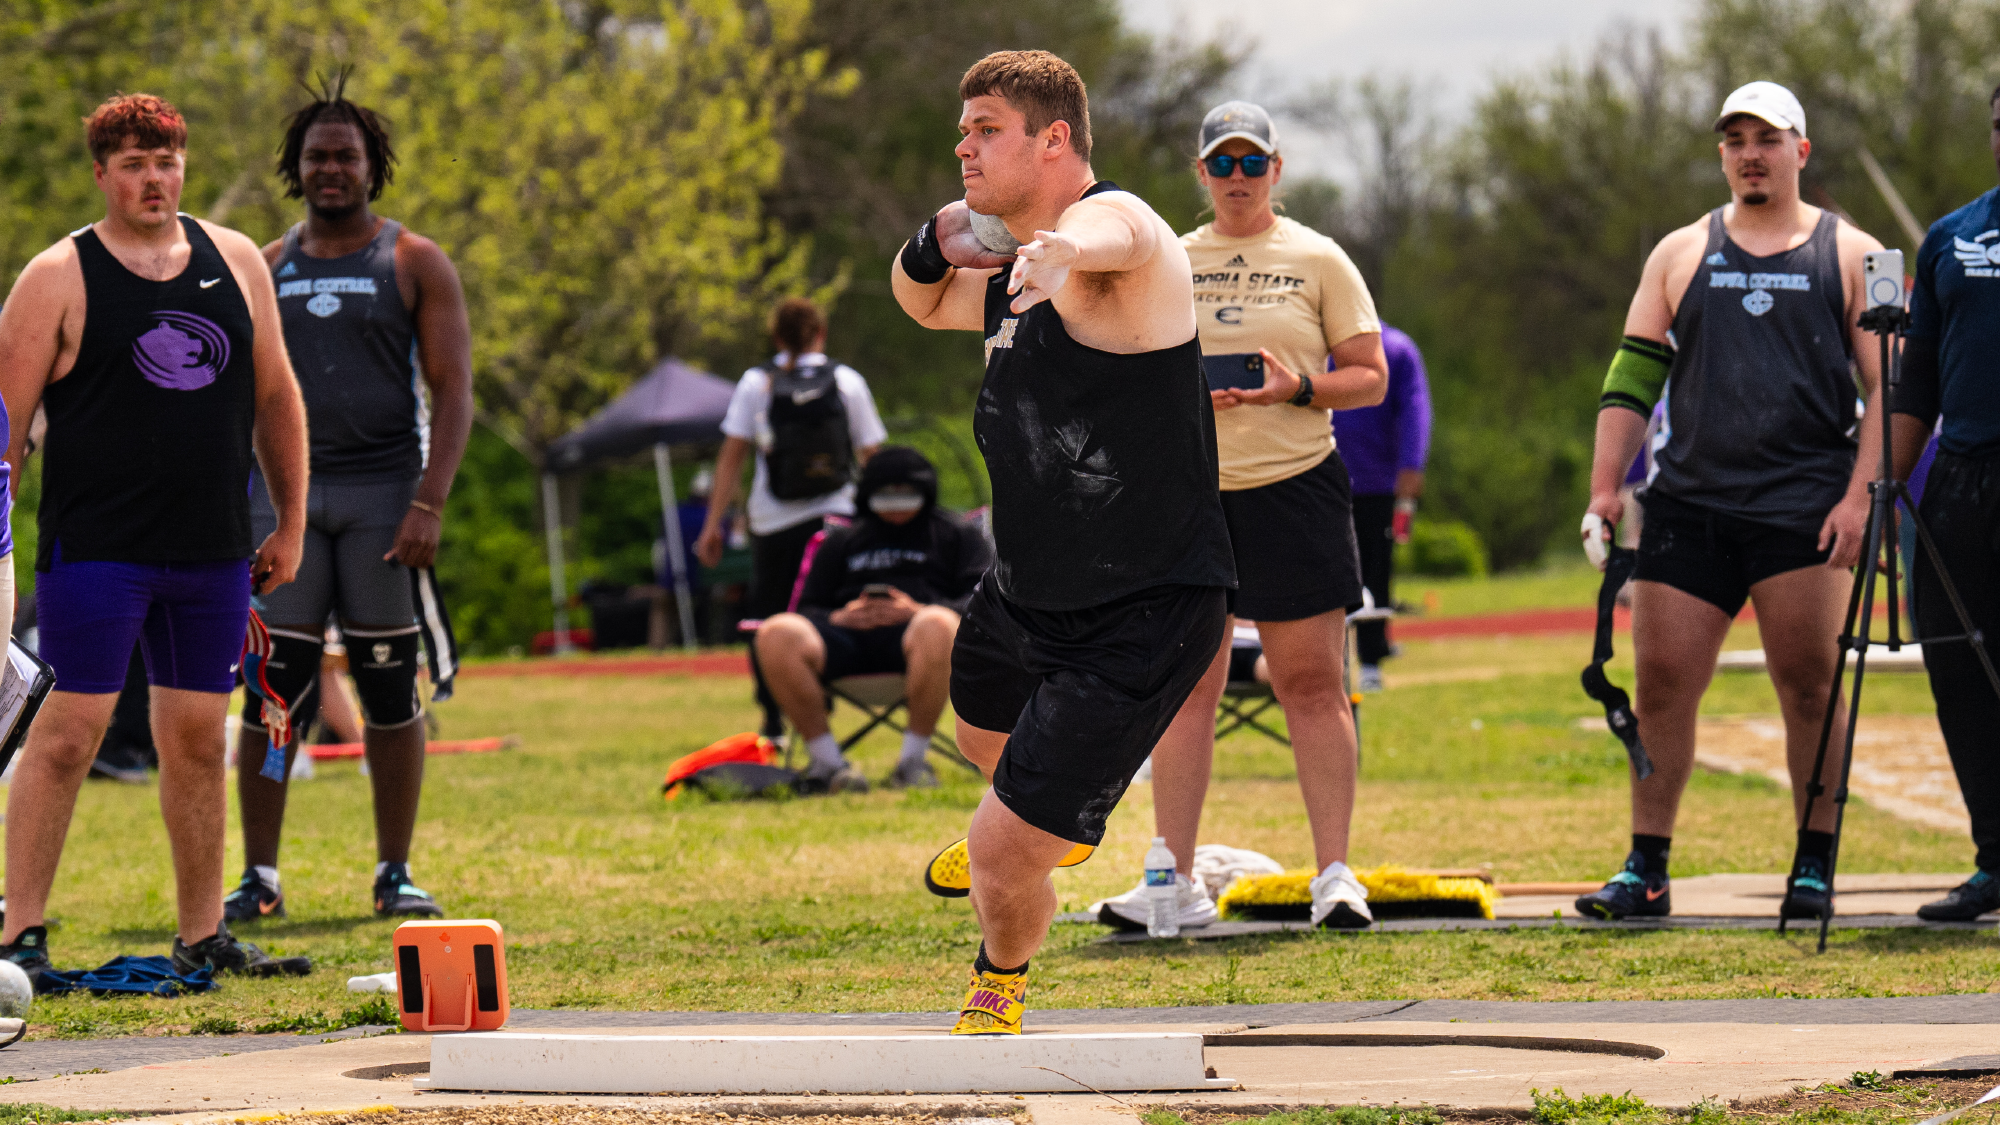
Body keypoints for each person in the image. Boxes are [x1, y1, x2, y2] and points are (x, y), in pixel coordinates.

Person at [891, 50, 1234, 1035]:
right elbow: (920, 301)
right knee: (975, 735)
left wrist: (1060, 250)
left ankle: (999, 976)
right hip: (1025, 593)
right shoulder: (1012, 272)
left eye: (986, 129)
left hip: (1142, 607)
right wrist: (934, 241)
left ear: (1052, 140)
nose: (964, 146)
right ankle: (1050, 821)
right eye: (962, 130)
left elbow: (1118, 230)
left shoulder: (1119, 244)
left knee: (998, 861)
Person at [0, 94, 313, 988]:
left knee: (198, 739)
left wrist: (290, 520)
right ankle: (20, 934)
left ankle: (202, 932)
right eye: (133, 164)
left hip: (212, 550)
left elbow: (277, 397)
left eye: (166, 162)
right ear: (101, 173)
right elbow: (5, 430)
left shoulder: (237, 260)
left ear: (184, 166)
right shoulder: (56, 275)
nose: (153, 180)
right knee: (68, 735)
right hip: (98, 551)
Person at [1576, 81, 1883, 922]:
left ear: (1800, 152)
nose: (1751, 154)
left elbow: (1890, 390)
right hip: (1689, 504)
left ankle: (1814, 865)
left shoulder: (1857, 254)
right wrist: (1605, 488)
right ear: (1722, 154)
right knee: (1661, 683)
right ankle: (1646, 869)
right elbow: (1631, 377)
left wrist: (1861, 500)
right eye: (1736, 140)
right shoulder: (1680, 252)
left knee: (1810, 686)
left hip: (1805, 508)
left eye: (1768, 139)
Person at [1094, 100, 1389, 934]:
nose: (1237, 177)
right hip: (1190, 496)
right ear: (1200, 173)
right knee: (1188, 684)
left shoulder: (1318, 257)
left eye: (1251, 161)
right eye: (1221, 163)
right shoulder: (1169, 257)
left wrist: (1294, 387)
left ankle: (1335, 875)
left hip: (1295, 486)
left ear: (1276, 170)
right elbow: (1123, 372)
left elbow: (1370, 377)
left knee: (1310, 683)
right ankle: (1172, 879)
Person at [221, 84, 474, 925]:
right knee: (273, 692)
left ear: (373, 167)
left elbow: (454, 389)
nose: (331, 168)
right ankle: (258, 875)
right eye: (317, 156)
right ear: (295, 168)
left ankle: (394, 870)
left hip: (384, 499)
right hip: (283, 503)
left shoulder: (414, 261)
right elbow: (239, 394)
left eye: (346, 156)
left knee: (389, 687)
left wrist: (429, 502)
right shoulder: (265, 266)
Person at [1893, 84, 2000, 922]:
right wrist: (1882, 490)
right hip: (1961, 479)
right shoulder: (1950, 237)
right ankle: (1995, 858)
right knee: (1958, 669)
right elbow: (1915, 384)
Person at [753, 447, 991, 791]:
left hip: (923, 646)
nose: (897, 499)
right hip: (845, 642)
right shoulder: (843, 539)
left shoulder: (957, 534)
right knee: (776, 631)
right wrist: (841, 616)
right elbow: (807, 607)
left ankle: (912, 763)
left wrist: (917, 610)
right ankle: (829, 766)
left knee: (937, 623)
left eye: (906, 491)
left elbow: (982, 601)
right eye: (886, 491)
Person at [694, 299, 886, 619]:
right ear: (821, 332)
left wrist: (712, 525)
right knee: (836, 618)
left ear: (777, 337)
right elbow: (873, 459)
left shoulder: (756, 383)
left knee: (775, 622)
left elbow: (730, 460)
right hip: (837, 516)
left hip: (773, 521)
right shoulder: (846, 380)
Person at [1333, 324, 1430, 692]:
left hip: (1377, 482)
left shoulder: (1397, 348)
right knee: (1329, 573)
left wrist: (1411, 467)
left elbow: (1414, 412)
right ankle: (1337, 659)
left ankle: (1371, 657)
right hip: (1322, 478)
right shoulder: (1318, 343)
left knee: (1375, 570)